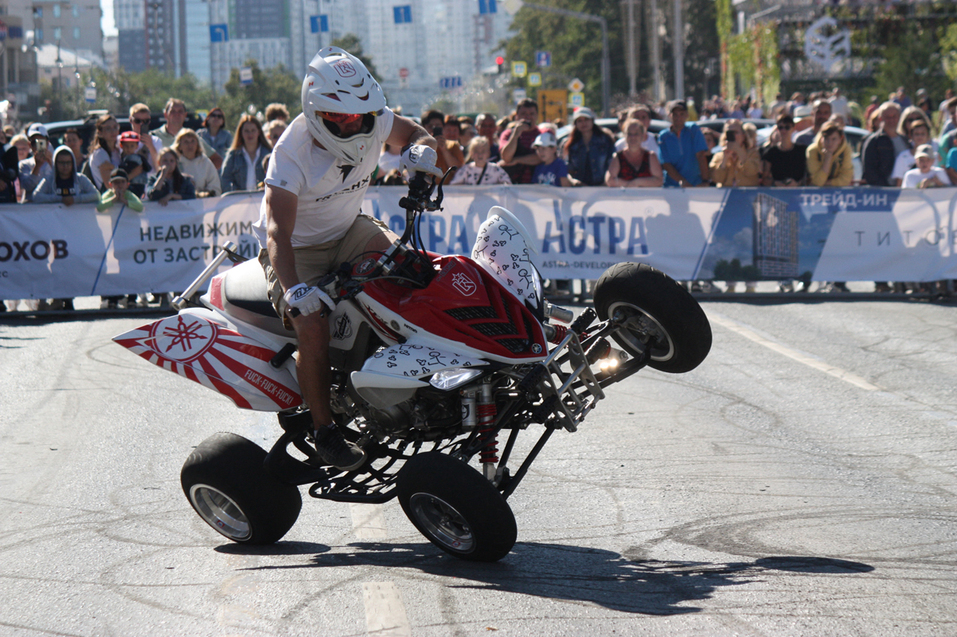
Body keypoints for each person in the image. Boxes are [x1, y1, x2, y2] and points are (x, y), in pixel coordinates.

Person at [254, 46, 440, 469]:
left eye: (359, 115)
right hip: (297, 250)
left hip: (348, 229)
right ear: (317, 113)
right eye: (341, 117)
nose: (353, 122)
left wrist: (421, 153)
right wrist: (295, 289)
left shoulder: (374, 118)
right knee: (313, 326)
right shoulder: (290, 153)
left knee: (414, 272)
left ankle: (417, 379)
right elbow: (277, 233)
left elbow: (417, 134)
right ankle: (325, 432)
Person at [152, 98, 223, 170]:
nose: (177, 114)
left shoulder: (192, 138)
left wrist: (199, 174)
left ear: (185, 115)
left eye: (180, 111)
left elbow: (217, 160)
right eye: (172, 111)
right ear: (165, 115)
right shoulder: (153, 136)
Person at [658, 100, 710, 187]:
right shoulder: (663, 136)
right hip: (672, 186)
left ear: (687, 115)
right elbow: (666, 164)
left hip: (696, 184)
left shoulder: (693, 130)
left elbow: (701, 155)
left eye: (681, 114)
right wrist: (682, 181)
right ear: (670, 115)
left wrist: (705, 181)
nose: (678, 118)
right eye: (675, 114)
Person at [562, 107, 615, 187]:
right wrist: (573, 181)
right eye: (580, 121)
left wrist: (608, 181)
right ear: (575, 124)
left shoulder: (605, 140)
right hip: (580, 190)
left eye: (586, 119)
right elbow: (568, 168)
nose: (583, 123)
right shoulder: (571, 144)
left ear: (592, 121)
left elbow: (612, 163)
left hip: (603, 188)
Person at [220, 114, 271, 193]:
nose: (250, 134)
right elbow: (225, 180)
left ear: (259, 132)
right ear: (241, 133)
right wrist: (237, 192)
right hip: (239, 201)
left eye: (253, 130)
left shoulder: (269, 154)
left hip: (263, 199)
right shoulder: (233, 155)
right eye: (246, 131)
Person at [32, 145, 98, 205]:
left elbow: (96, 195)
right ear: (55, 163)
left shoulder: (81, 179)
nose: (65, 166)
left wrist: (74, 199)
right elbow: (36, 196)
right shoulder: (48, 180)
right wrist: (60, 199)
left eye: (68, 162)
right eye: (61, 162)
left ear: (73, 163)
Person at [605, 119, 662, 187]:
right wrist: (629, 185)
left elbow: (659, 180)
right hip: (624, 196)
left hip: (648, 197)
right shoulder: (618, 157)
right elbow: (609, 180)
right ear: (624, 136)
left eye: (636, 134)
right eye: (629, 134)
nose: (633, 137)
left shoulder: (651, 156)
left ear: (642, 136)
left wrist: (637, 182)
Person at [499, 98, 542, 184]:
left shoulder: (543, 134)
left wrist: (517, 160)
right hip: (514, 186)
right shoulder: (508, 134)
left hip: (537, 185)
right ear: (517, 116)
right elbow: (506, 158)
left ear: (537, 115)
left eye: (531, 114)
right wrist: (515, 135)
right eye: (524, 114)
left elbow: (542, 158)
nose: (528, 117)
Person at [861, 102, 904, 187]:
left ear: (899, 117)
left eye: (894, 116)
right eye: (887, 117)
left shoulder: (905, 140)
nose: (891, 120)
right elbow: (869, 170)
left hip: (905, 193)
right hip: (882, 192)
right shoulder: (874, 141)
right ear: (880, 119)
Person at [709, 119, 761, 187]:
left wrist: (739, 152)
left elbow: (751, 171)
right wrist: (724, 160)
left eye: (736, 132)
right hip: (725, 196)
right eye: (729, 132)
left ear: (743, 135)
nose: (733, 135)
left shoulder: (753, 153)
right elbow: (716, 179)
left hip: (748, 195)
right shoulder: (718, 156)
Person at [172, 128, 221, 197]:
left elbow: (214, 187)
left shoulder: (205, 162)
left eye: (193, 141)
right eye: (186, 142)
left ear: (197, 145)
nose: (190, 145)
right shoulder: (174, 163)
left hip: (203, 203)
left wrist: (203, 195)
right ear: (179, 146)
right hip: (180, 203)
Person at [761, 114, 807, 187]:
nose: (783, 130)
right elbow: (765, 178)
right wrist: (775, 183)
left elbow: (808, 176)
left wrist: (797, 183)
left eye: (787, 127)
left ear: (793, 128)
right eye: (780, 127)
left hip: (799, 193)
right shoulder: (770, 152)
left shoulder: (802, 150)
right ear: (777, 129)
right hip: (776, 193)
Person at [806, 120, 854, 187]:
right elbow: (817, 181)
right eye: (826, 138)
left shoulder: (846, 151)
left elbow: (846, 179)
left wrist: (827, 184)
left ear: (841, 139)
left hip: (839, 193)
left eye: (834, 139)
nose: (829, 143)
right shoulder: (813, 151)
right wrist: (827, 159)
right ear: (821, 138)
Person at [421, 110, 464, 176]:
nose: (434, 128)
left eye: (437, 126)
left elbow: (459, 171)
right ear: (424, 128)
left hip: (448, 186)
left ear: (443, 127)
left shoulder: (453, 145)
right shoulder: (418, 146)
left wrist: (444, 150)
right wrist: (431, 146)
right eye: (430, 127)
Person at [891, 118, 933, 187]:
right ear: (911, 136)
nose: (920, 137)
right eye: (917, 134)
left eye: (923, 134)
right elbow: (899, 183)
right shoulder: (903, 157)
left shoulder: (935, 156)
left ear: (928, 136)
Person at [19, 123, 54, 199]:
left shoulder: (55, 162)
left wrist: (51, 162)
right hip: (31, 208)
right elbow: (27, 186)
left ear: (47, 143)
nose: (38, 146)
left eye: (41, 142)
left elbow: (61, 182)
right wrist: (37, 166)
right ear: (29, 145)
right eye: (34, 143)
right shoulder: (24, 164)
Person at [87, 114, 121, 192]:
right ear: (100, 133)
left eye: (115, 127)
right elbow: (109, 184)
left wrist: (112, 167)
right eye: (108, 128)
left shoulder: (117, 150)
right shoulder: (100, 153)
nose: (113, 131)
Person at [128, 103, 162, 174]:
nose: (141, 124)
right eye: (137, 121)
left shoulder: (156, 141)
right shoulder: (121, 140)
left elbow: (159, 168)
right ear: (130, 120)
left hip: (150, 183)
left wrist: (151, 146)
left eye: (145, 121)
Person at [117, 131, 151, 197]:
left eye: (132, 146)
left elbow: (127, 170)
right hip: (136, 185)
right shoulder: (124, 158)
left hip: (135, 185)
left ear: (137, 146)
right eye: (126, 146)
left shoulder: (134, 158)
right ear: (121, 146)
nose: (129, 148)